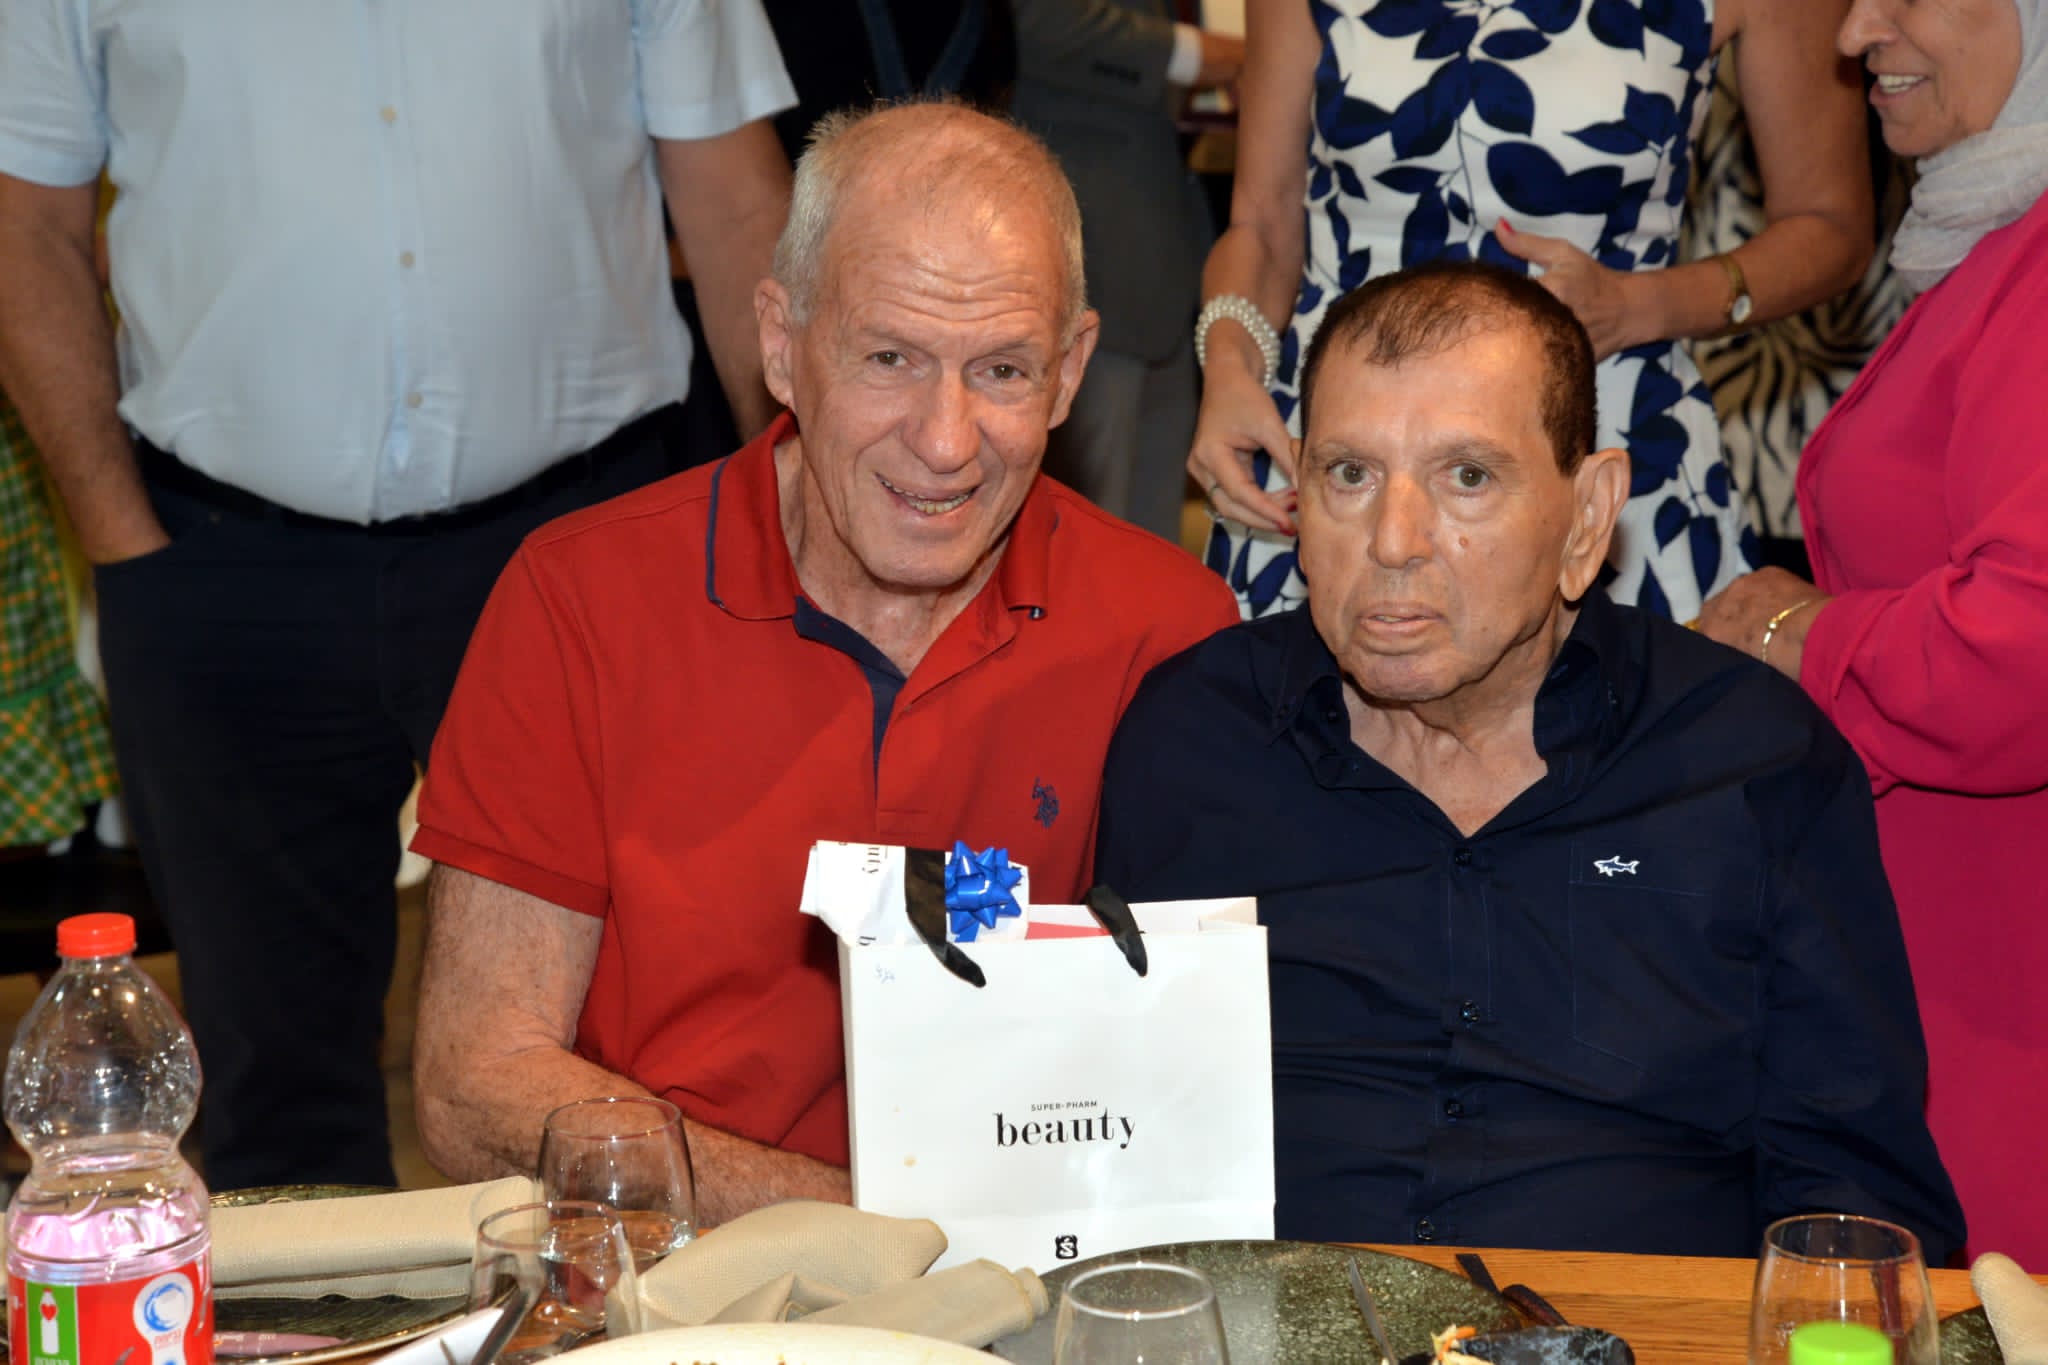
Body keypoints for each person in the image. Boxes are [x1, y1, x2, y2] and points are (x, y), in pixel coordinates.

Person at [0, 2, 797, 1189]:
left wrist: (786, 530)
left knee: (648, 1052)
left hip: (584, 551)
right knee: (275, 1085)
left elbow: (735, 201)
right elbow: (24, 220)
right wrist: (122, 541)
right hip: (217, 569)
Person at [409, 101, 1238, 1225]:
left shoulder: (1167, 630)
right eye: (889, 358)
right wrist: (855, 1231)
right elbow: (473, 1083)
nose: (944, 441)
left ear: (1069, 370)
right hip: (670, 1265)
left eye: (1002, 370)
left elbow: (1190, 1082)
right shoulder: (581, 600)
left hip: (1032, 1266)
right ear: (781, 343)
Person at [1095, 261, 1965, 1260]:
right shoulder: (1196, 739)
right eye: (1349, 474)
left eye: (1466, 476)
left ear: (1586, 516)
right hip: (1268, 1321)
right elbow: (1097, 1127)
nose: (1393, 541)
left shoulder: (1752, 762)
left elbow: (1856, 1203)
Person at [1698, 0, 2048, 1266]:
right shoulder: (1996, 236)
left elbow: (2016, 657)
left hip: (2006, 988)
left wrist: (1798, 634)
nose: (1853, 34)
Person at [1191, 0, 1875, 621]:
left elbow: (1831, 226)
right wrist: (1225, 367)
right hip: (1345, 444)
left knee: (1627, 711)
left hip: (1601, 424)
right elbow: (1262, 226)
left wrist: (1640, 305)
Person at [1012, 0, 1243, 541]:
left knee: (1147, 542)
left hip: (1168, 255)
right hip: (1084, 256)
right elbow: (1039, 22)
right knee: (1075, 539)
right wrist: (1202, 54)